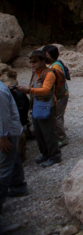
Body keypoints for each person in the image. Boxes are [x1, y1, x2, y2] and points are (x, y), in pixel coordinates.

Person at [16, 50, 62, 166]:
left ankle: (55, 155)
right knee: (39, 133)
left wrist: (28, 90)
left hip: (47, 107)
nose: (32, 64)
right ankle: (45, 154)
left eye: (35, 61)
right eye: (31, 61)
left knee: (49, 133)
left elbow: (46, 90)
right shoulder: (36, 73)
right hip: (37, 106)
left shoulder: (49, 74)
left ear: (43, 61)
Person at [0, 80, 28, 214]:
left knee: (4, 167)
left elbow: (3, 117)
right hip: (10, 131)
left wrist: (3, 137)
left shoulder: (0, 91)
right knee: (13, 157)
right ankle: (18, 186)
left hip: (8, 133)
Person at [42, 45, 71, 147]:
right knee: (58, 115)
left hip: (60, 94)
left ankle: (62, 138)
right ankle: (60, 133)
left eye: (46, 54)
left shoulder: (55, 66)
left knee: (56, 116)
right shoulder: (54, 64)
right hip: (62, 94)